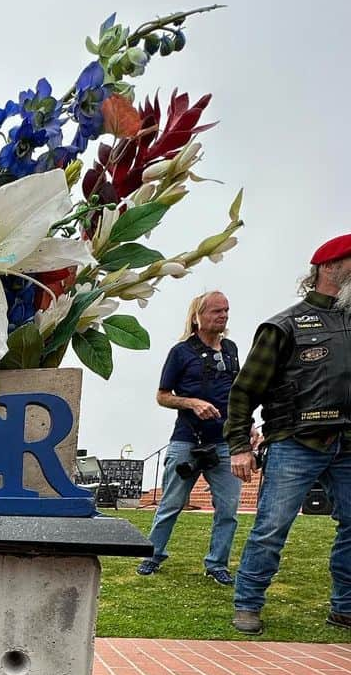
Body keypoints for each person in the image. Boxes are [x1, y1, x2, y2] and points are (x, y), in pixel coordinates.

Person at [227, 234, 351, 634]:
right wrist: (239, 447)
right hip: (295, 442)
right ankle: (247, 603)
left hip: (347, 445)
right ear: (329, 268)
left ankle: (345, 607)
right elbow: (245, 390)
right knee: (271, 527)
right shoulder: (285, 325)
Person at [136, 292, 242, 584]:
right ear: (198, 315)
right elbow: (162, 396)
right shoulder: (181, 352)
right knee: (171, 503)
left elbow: (238, 395)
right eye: (216, 311)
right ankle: (152, 556)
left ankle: (217, 564)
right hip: (187, 440)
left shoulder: (231, 350)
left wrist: (249, 427)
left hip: (224, 442)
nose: (223, 316)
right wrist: (192, 403)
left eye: (226, 310)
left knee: (228, 509)